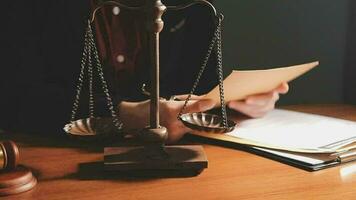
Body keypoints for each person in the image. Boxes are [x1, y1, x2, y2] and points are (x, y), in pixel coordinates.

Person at [92, 0, 289, 143]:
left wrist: (239, 102)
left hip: (181, 147)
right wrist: (127, 114)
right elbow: (62, 97)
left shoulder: (194, 7)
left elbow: (203, 85)